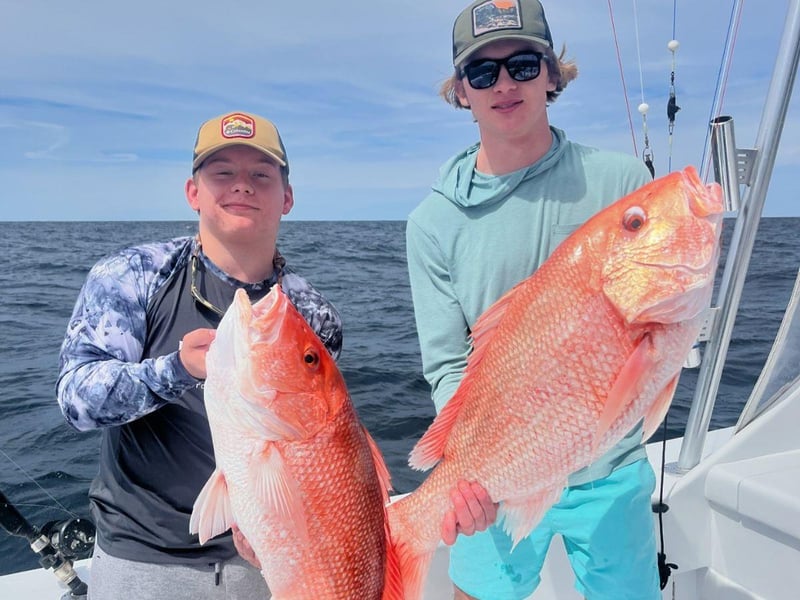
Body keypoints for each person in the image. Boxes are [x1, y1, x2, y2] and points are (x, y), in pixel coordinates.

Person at [405, 1, 661, 599]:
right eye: (482, 72)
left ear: (552, 74)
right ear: (461, 92)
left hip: (611, 466)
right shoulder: (432, 224)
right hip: (503, 474)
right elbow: (446, 364)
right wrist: (474, 474)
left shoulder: (623, 185)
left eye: (522, 64)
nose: (504, 84)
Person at [56, 111, 343, 600]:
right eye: (222, 173)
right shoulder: (132, 276)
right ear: (193, 192)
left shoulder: (312, 316)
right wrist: (175, 370)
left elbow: (321, 451)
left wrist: (291, 535)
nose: (242, 186)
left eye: (260, 175)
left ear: (287, 198)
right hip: (142, 559)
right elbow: (76, 400)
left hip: (269, 559)